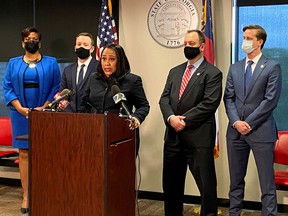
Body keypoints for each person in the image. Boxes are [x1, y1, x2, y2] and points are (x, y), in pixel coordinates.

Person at [159, 30, 222, 216]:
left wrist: (183, 121)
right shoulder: (175, 71)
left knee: (207, 188)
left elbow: (209, 104)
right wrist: (171, 118)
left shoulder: (212, 73)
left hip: (199, 139)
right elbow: (164, 99)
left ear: (202, 47)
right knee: (171, 187)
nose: (187, 46)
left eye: (192, 43)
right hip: (173, 138)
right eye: (185, 43)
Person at [223, 24, 282, 216]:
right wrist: (236, 122)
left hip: (261, 131)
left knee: (267, 183)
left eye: (249, 38)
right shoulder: (235, 67)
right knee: (235, 181)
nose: (245, 42)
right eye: (244, 38)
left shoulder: (272, 67)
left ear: (260, 42)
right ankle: (234, 213)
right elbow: (228, 98)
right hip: (235, 132)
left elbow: (270, 100)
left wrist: (248, 122)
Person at [3, 27, 61, 214]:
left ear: (40, 43)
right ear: (22, 43)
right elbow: (8, 87)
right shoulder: (13, 64)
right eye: (28, 39)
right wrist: (20, 108)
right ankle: (27, 195)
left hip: (45, 113)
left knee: (46, 153)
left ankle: (46, 193)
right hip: (20, 114)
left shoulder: (52, 63)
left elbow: (57, 86)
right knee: (24, 154)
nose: (31, 41)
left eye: (35, 39)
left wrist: (44, 107)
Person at [79, 43, 150, 155]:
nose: (107, 63)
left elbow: (144, 106)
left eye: (112, 59)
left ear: (120, 61)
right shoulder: (93, 78)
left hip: (122, 135)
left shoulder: (132, 81)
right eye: (103, 59)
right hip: (96, 133)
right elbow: (84, 104)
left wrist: (137, 117)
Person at [60, 32, 98, 112]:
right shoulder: (68, 70)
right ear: (75, 48)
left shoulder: (99, 68)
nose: (81, 47)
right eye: (79, 44)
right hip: (71, 116)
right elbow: (62, 94)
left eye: (85, 45)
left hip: (93, 117)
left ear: (92, 49)